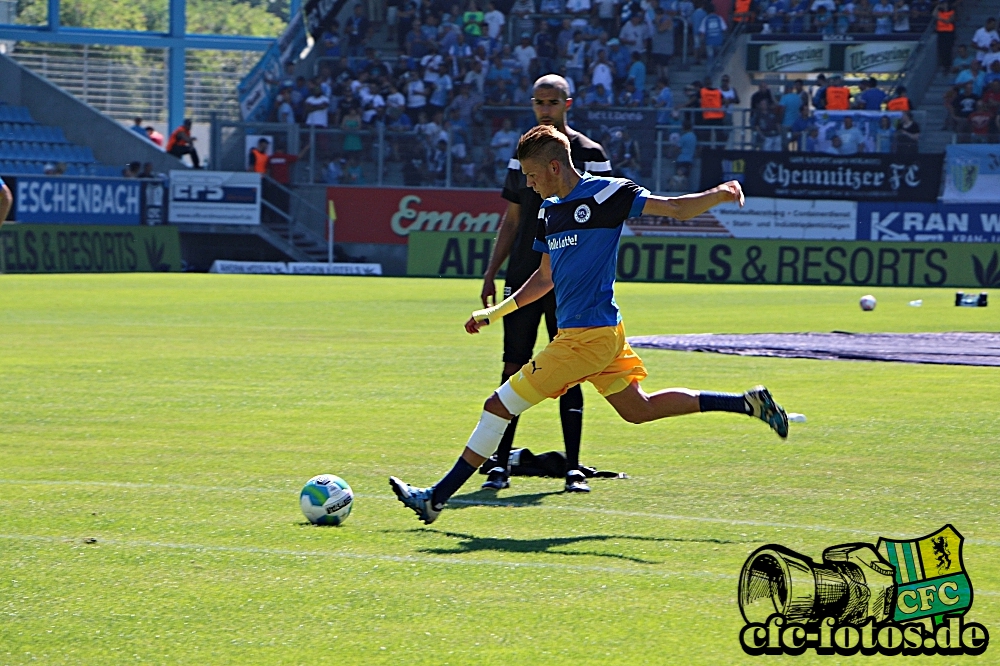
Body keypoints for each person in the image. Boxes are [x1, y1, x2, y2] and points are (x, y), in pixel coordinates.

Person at [389, 124, 789, 525]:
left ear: (554, 167)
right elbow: (545, 278)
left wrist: (720, 193)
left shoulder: (609, 193)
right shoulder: (548, 210)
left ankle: (435, 498)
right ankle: (746, 402)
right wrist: (495, 314)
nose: (528, 185)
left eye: (531, 176)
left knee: (497, 406)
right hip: (597, 336)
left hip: (588, 340)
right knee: (639, 409)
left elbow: (676, 208)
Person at [478, 75, 613, 494]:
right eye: (539, 102)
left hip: (570, 279)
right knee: (513, 364)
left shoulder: (591, 154)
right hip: (524, 274)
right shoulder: (523, 156)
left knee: (571, 368)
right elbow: (513, 218)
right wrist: (491, 271)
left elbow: (610, 217)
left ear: (567, 103)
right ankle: (499, 464)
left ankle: (573, 468)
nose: (545, 109)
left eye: (552, 102)